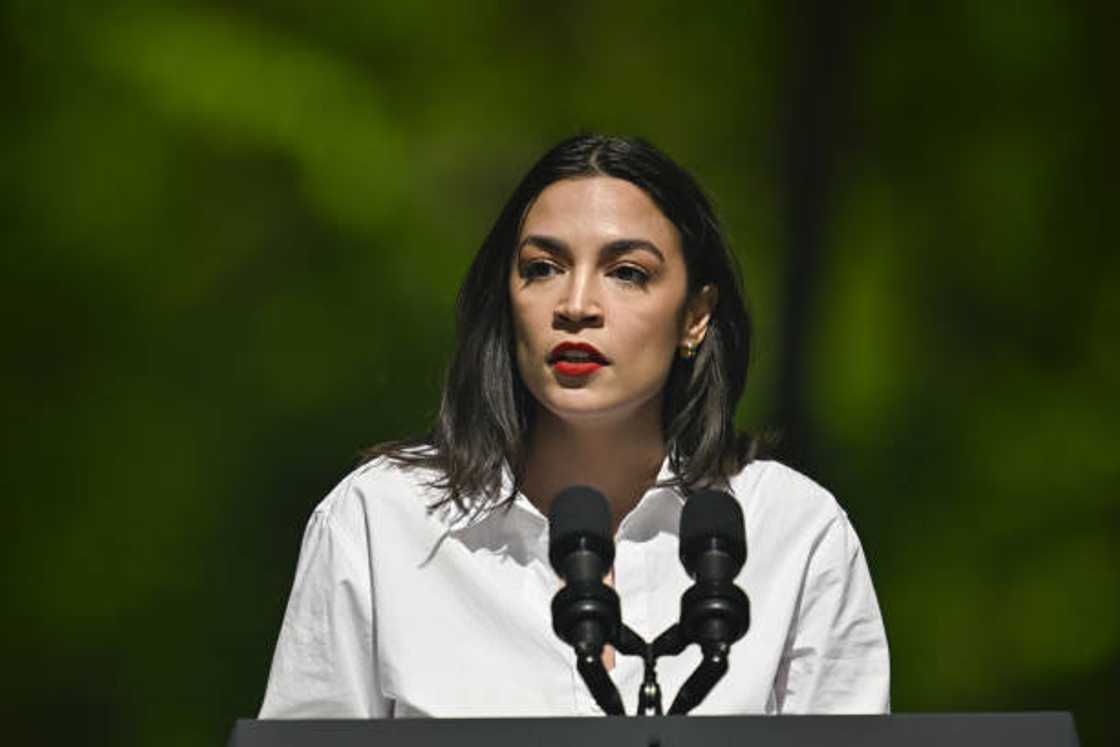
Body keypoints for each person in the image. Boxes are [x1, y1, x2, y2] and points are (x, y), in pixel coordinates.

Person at [258, 134, 889, 718]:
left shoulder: (796, 532)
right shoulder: (380, 521)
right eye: (542, 268)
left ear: (696, 315)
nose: (577, 305)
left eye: (627, 273)